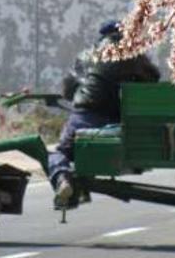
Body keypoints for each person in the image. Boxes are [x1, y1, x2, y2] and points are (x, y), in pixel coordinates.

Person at [49, 20, 161, 205]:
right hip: (118, 121)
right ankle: (81, 189)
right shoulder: (135, 56)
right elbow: (154, 77)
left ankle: (63, 178)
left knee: (61, 151)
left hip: (86, 115)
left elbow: (68, 89)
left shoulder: (87, 55)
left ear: (103, 36)